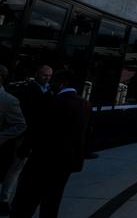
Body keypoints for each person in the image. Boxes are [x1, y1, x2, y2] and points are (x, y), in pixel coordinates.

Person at [10, 69, 91, 218]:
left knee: (26, 199)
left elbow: (37, 129)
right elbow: (80, 136)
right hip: (65, 163)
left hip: (41, 159)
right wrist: (78, 161)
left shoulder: (51, 101)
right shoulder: (84, 105)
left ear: (62, 83)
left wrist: (24, 149)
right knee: (52, 201)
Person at [1, 65, 52, 212]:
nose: (47, 78)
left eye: (49, 76)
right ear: (36, 74)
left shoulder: (48, 91)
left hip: (30, 136)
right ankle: (4, 199)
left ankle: (4, 198)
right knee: (13, 168)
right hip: (22, 136)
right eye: (44, 75)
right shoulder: (26, 90)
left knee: (15, 168)